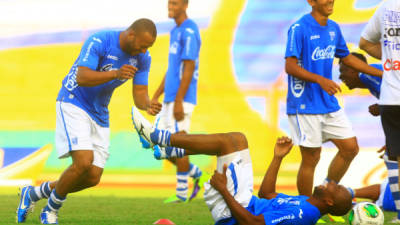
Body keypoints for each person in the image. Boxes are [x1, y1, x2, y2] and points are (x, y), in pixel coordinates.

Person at [16, 19, 162, 224]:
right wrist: (115, 73)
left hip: (99, 112)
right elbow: (82, 77)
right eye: (142, 45)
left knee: (93, 177)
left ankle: (34, 193)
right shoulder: (100, 40)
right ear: (131, 35)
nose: (144, 50)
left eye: (148, 47)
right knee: (83, 161)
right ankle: (49, 212)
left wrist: (148, 105)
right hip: (73, 101)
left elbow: (139, 95)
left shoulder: (143, 58)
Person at [131, 106, 353, 225]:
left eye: (337, 187)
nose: (332, 183)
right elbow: (266, 194)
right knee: (238, 139)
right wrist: (277, 158)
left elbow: (253, 223)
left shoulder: (305, 214)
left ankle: (159, 137)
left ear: (330, 200)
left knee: (228, 143)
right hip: (243, 202)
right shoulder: (306, 201)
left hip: (234, 213)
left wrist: (224, 191)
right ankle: (169, 150)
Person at [284, 0, 383, 196]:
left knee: (350, 148)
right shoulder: (298, 28)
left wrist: (382, 73)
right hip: (304, 103)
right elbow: (290, 66)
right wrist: (320, 79)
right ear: (311, 2)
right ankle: (306, 210)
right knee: (311, 157)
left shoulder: (333, 28)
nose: (330, 0)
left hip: (327, 103)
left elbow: (346, 58)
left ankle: (326, 192)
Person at [148, 0, 204, 203]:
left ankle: (181, 195)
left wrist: (179, 99)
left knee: (179, 144)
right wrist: (156, 95)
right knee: (160, 147)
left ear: (185, 5)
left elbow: (189, 66)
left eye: (175, 3)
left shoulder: (190, 30)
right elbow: (172, 69)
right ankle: (198, 175)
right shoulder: (175, 31)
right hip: (170, 99)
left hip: (181, 98)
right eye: (169, 2)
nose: (170, 6)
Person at [339, 51, 400, 222]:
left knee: (393, 163)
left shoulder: (367, 75)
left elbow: (395, 101)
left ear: (353, 69)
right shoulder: (372, 78)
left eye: (343, 70)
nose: (340, 76)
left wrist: (381, 107)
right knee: (392, 161)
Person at [338, 52, 382, 116]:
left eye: (344, 70)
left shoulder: (365, 75)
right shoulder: (370, 83)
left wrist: (383, 108)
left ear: (356, 67)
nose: (340, 76)